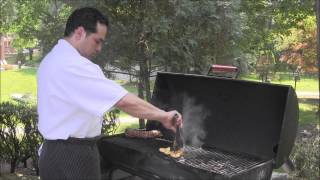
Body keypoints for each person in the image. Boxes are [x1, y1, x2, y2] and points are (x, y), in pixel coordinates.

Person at [37, 7, 183, 180]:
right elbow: (123, 101)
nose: (99, 48)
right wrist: (164, 116)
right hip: (74, 156)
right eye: (97, 41)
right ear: (80, 32)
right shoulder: (73, 65)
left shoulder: (52, 59)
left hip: (53, 153)